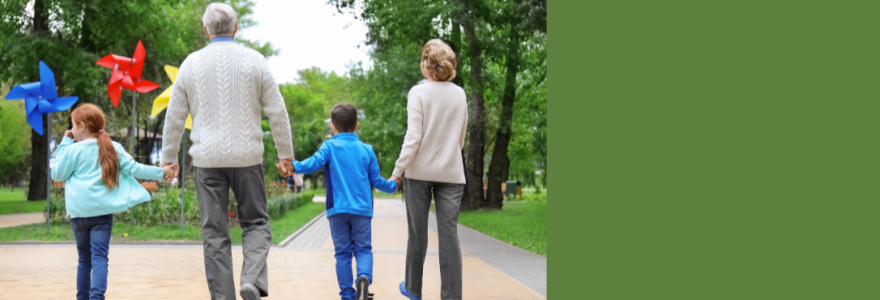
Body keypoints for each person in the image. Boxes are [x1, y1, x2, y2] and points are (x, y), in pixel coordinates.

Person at [159, 3, 295, 300]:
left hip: (207, 161)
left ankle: (224, 298)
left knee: (215, 233)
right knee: (256, 222)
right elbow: (278, 111)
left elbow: (174, 115)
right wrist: (285, 153)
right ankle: (251, 280)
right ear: (236, 28)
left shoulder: (190, 64)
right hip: (247, 157)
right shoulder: (255, 61)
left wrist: (168, 158)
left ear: (205, 29)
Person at [51, 103, 176, 300]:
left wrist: (65, 143)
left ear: (82, 126)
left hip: (79, 214)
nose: (71, 130)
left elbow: (57, 172)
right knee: (100, 258)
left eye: (73, 125)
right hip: (102, 214)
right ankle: (97, 297)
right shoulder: (112, 147)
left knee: (84, 260)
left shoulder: (72, 151)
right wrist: (163, 172)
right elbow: (136, 169)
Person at [292, 103, 398, 300]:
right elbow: (377, 181)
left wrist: (292, 166)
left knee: (342, 254)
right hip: (362, 211)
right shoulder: (367, 150)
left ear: (333, 127)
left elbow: (311, 164)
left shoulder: (329, 146)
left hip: (337, 210)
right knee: (363, 249)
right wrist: (393, 185)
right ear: (356, 126)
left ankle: (347, 295)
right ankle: (364, 277)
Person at [389, 39, 468, 300]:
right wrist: (448, 155)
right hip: (451, 173)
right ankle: (452, 296)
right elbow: (461, 137)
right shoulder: (459, 93)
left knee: (417, 234)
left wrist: (397, 171)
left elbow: (413, 138)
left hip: (419, 173)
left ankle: (413, 290)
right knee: (449, 236)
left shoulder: (418, 92)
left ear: (426, 65)